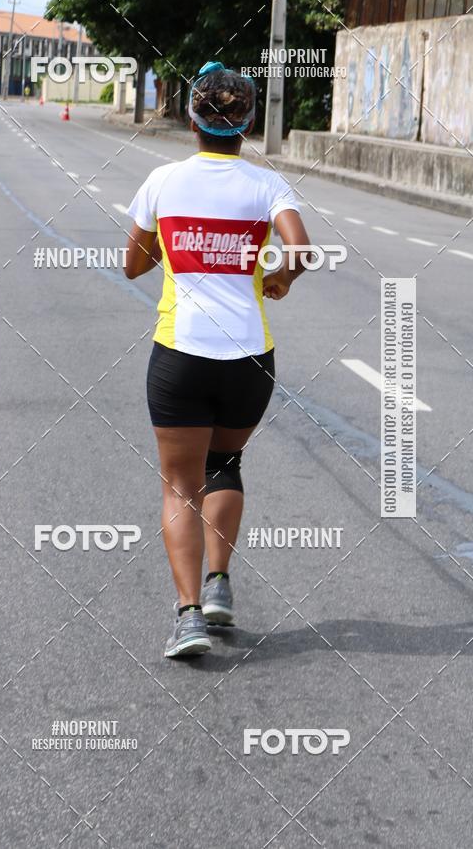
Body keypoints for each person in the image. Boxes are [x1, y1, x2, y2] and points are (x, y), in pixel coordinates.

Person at [125, 61, 311, 658]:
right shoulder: (266, 186)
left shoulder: (163, 181)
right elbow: (301, 248)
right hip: (250, 358)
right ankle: (219, 585)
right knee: (225, 464)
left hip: (180, 354)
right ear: (248, 125)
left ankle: (188, 618)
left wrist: (181, 244)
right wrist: (279, 280)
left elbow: (133, 265)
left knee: (180, 486)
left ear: (192, 120)